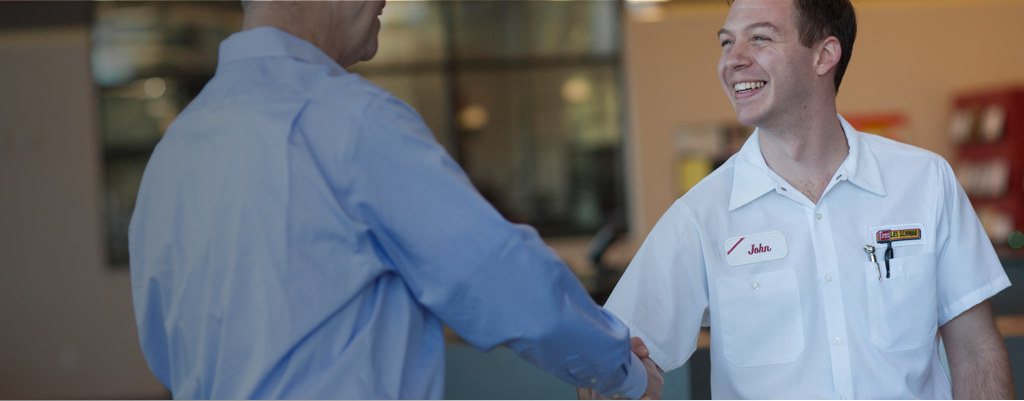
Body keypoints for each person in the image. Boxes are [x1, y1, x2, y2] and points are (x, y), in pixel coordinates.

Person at [128, 1, 663, 399]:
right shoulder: (347, 119)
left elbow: (164, 352)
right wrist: (622, 371)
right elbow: (500, 276)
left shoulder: (174, 151)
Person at [593, 0, 1015, 399]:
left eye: (759, 38)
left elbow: (976, 350)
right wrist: (621, 380)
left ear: (824, 54)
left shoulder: (926, 181)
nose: (732, 59)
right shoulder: (700, 216)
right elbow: (612, 363)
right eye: (726, 42)